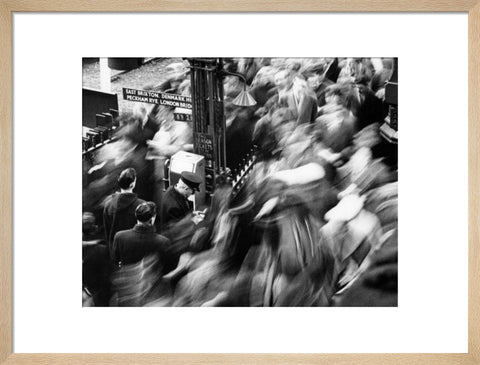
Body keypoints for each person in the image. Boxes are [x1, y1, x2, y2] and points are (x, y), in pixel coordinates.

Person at [111, 202, 171, 268]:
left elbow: (115, 261)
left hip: (126, 276)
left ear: (136, 215)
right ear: (153, 217)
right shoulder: (163, 242)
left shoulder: (120, 237)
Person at [103, 168, 145, 256]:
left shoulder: (108, 205)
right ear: (132, 184)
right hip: (135, 251)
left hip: (115, 251)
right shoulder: (141, 205)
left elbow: (107, 232)